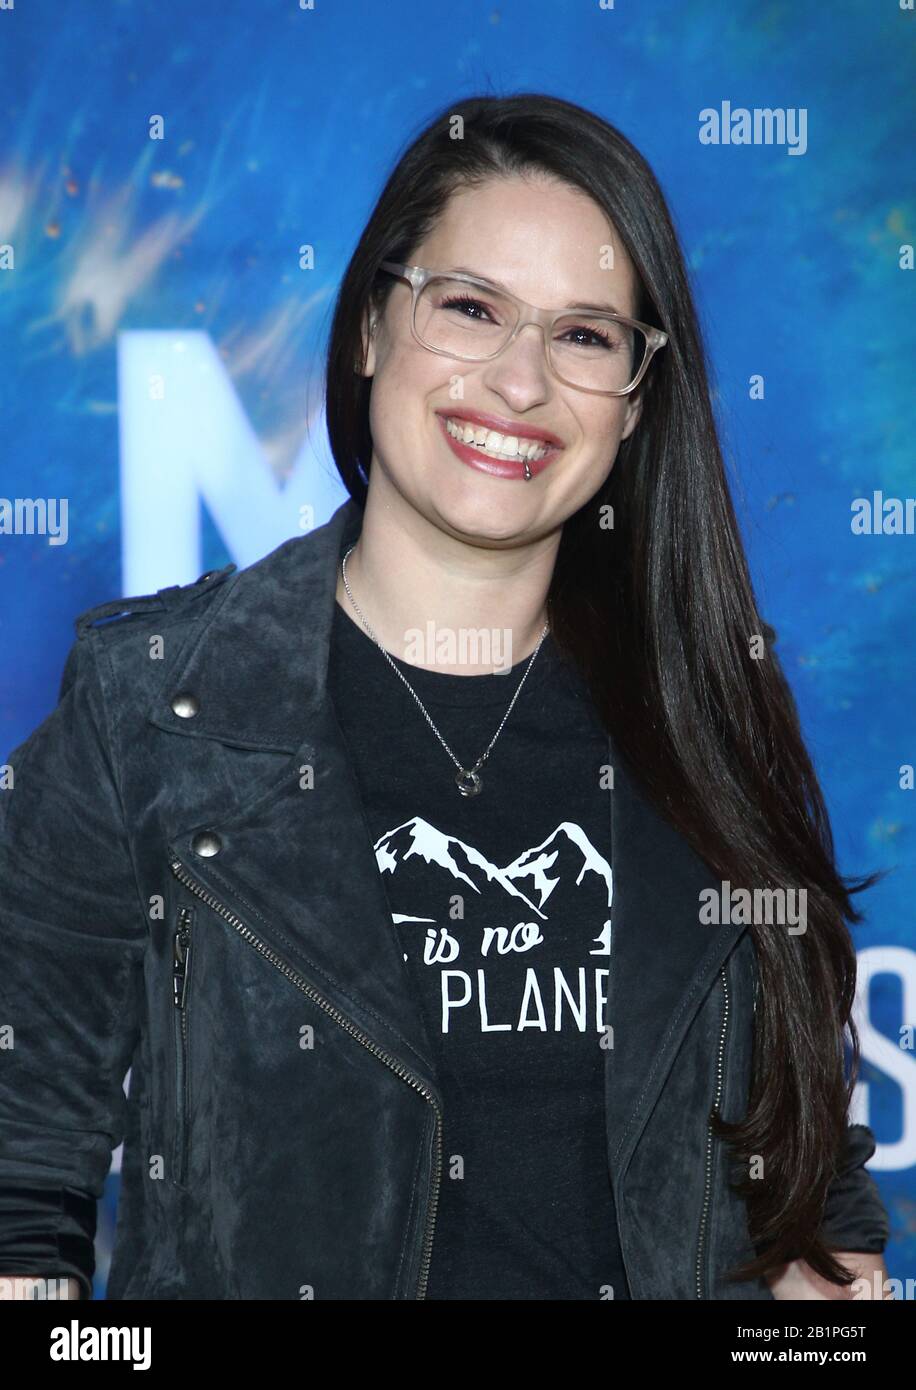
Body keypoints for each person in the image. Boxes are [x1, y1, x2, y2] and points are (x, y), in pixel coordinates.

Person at [0, 93, 891, 1301]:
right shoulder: (148, 708)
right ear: (372, 324)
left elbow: (813, 1211)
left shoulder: (713, 707)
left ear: (632, 399)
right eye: (470, 308)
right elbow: (21, 1174)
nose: (519, 382)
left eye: (584, 336)